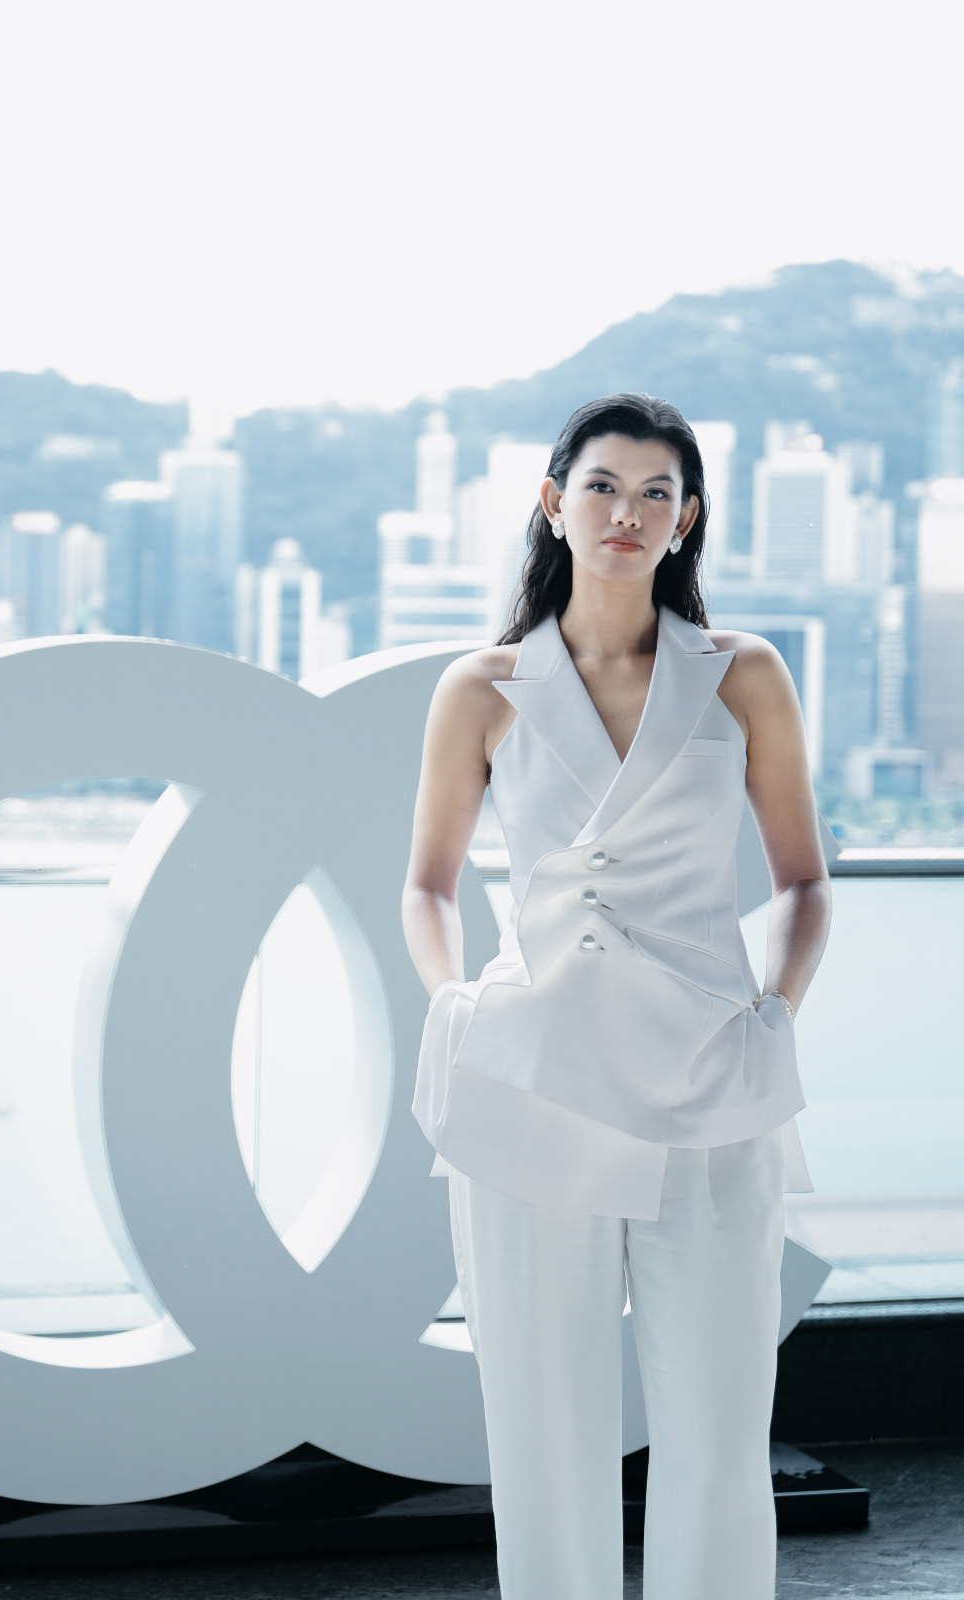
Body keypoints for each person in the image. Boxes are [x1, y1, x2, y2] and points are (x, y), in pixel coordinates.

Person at [402, 393, 832, 1600]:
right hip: (531, 1086)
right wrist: (454, 1011)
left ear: (686, 520)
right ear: (552, 502)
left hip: (710, 1079)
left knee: (714, 1433)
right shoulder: (479, 687)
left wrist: (772, 1014)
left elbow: (802, 881)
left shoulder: (741, 675)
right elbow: (425, 888)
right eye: (601, 486)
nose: (626, 512)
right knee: (543, 1434)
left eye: (655, 493)